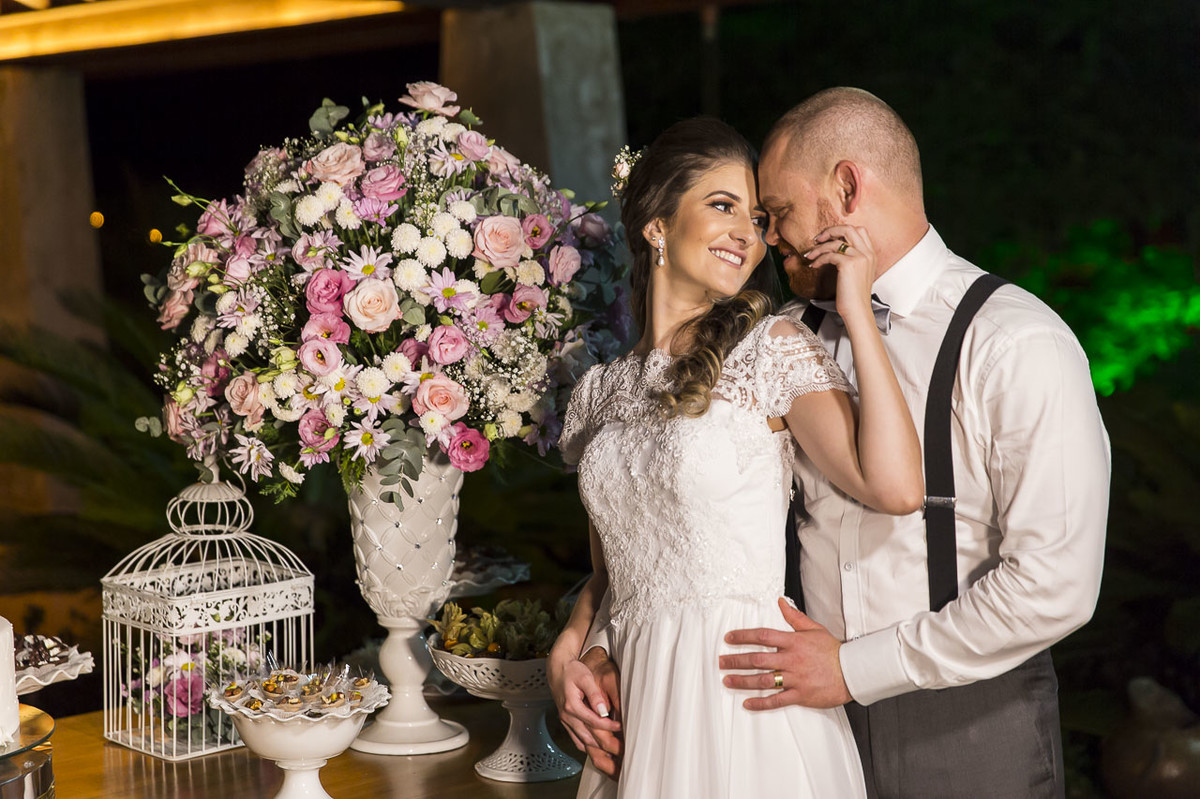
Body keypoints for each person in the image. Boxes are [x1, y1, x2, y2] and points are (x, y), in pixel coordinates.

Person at [717, 88, 1111, 798]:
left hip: (970, 725)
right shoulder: (787, 340)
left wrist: (854, 666)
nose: (768, 237)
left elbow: (1056, 587)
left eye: (778, 212)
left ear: (845, 187)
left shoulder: (1015, 340)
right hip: (803, 725)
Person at [550, 116, 924, 798]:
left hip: (740, 690)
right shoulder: (600, 391)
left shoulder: (769, 350)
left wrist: (856, 312)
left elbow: (896, 487)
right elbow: (611, 571)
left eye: (755, 217)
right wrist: (572, 649)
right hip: (638, 696)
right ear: (656, 224)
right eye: (721, 206)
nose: (747, 235)